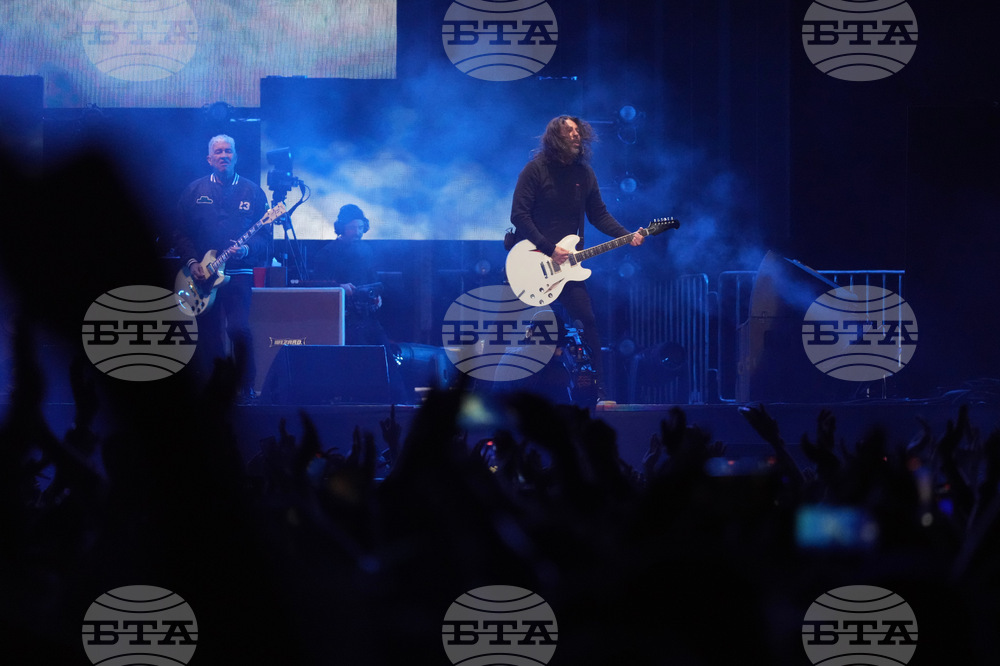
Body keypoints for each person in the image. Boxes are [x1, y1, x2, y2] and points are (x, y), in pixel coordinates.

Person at [509, 115, 645, 403]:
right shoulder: (535, 170)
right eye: (568, 131)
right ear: (555, 138)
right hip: (533, 262)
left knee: (588, 321)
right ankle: (518, 394)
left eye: (577, 131)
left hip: (567, 268)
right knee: (532, 328)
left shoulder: (584, 174)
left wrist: (626, 234)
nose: (575, 135)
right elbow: (518, 215)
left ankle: (597, 390)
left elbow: (598, 214)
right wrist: (548, 248)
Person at [175, 134, 270, 400]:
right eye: (218, 152)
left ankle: (246, 385)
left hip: (238, 274)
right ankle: (214, 386)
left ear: (236, 156)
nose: (223, 155)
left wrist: (248, 249)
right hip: (202, 275)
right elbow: (180, 233)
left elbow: (266, 238)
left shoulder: (253, 191)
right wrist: (193, 261)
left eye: (228, 151)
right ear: (209, 158)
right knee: (208, 334)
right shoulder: (194, 190)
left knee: (238, 328)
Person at [311, 204, 388, 347]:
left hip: (367, 318)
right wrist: (339, 288)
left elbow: (373, 278)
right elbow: (317, 285)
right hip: (341, 319)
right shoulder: (327, 253)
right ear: (341, 229)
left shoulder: (367, 250)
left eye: (360, 228)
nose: (357, 232)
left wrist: (377, 296)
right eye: (352, 228)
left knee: (384, 354)